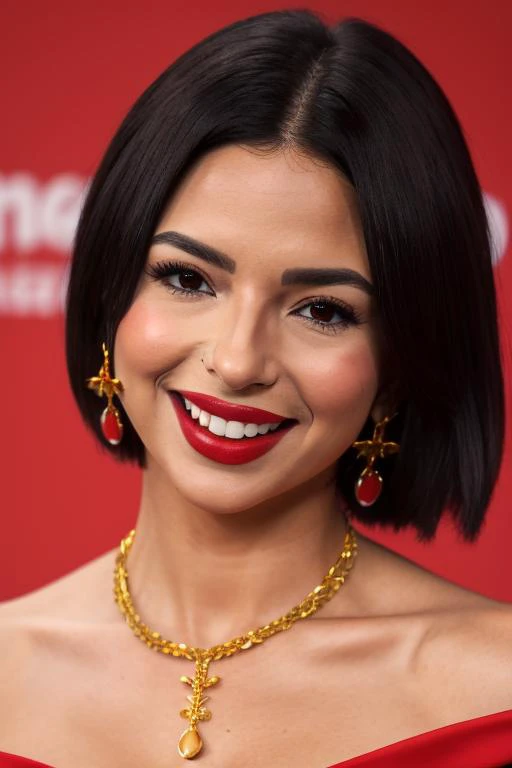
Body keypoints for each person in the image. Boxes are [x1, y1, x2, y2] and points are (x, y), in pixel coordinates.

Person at [0, 9, 511, 767]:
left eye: (322, 310)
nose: (239, 362)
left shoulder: (494, 689)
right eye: (187, 278)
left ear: (399, 364)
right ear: (112, 299)